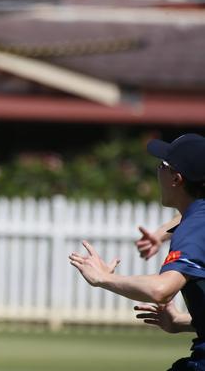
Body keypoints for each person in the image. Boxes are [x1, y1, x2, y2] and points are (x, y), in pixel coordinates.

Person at [70, 133, 205, 370]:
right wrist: (182, 322)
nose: (157, 171)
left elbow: (160, 290)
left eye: (162, 166)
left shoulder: (194, 229)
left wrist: (104, 278)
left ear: (176, 178)